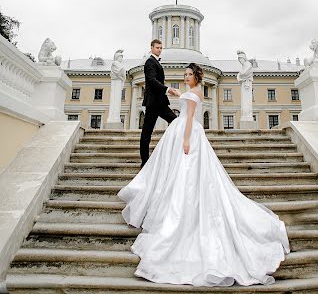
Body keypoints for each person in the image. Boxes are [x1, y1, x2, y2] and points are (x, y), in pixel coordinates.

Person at [118, 62, 290, 287]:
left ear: (196, 76)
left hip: (188, 133)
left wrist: (186, 140)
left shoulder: (194, 93)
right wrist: (177, 92)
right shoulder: (195, 91)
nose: (186, 77)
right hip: (190, 132)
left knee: (185, 174)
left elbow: (189, 118)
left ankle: (180, 213)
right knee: (185, 174)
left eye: (189, 74)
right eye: (185, 74)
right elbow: (189, 100)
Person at [139, 39, 179, 167]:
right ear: (151, 48)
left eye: (161, 48)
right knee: (147, 133)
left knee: (176, 122)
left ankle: (171, 151)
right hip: (154, 102)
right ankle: (145, 162)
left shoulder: (155, 62)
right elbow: (151, 80)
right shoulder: (150, 62)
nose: (160, 50)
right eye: (157, 48)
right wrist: (167, 89)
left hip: (158, 102)